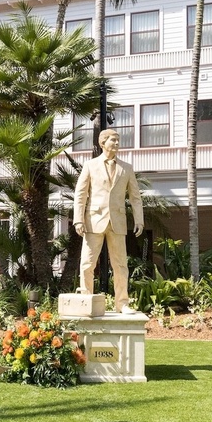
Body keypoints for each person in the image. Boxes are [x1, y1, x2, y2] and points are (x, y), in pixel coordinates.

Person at [73, 129, 144, 313]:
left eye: (118, 140)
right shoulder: (90, 165)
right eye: (113, 140)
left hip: (117, 221)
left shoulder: (126, 168)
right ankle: (86, 301)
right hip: (93, 221)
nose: (117, 143)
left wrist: (139, 220)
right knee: (87, 263)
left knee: (120, 264)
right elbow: (80, 194)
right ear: (102, 143)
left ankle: (123, 303)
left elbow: (135, 197)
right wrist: (78, 220)